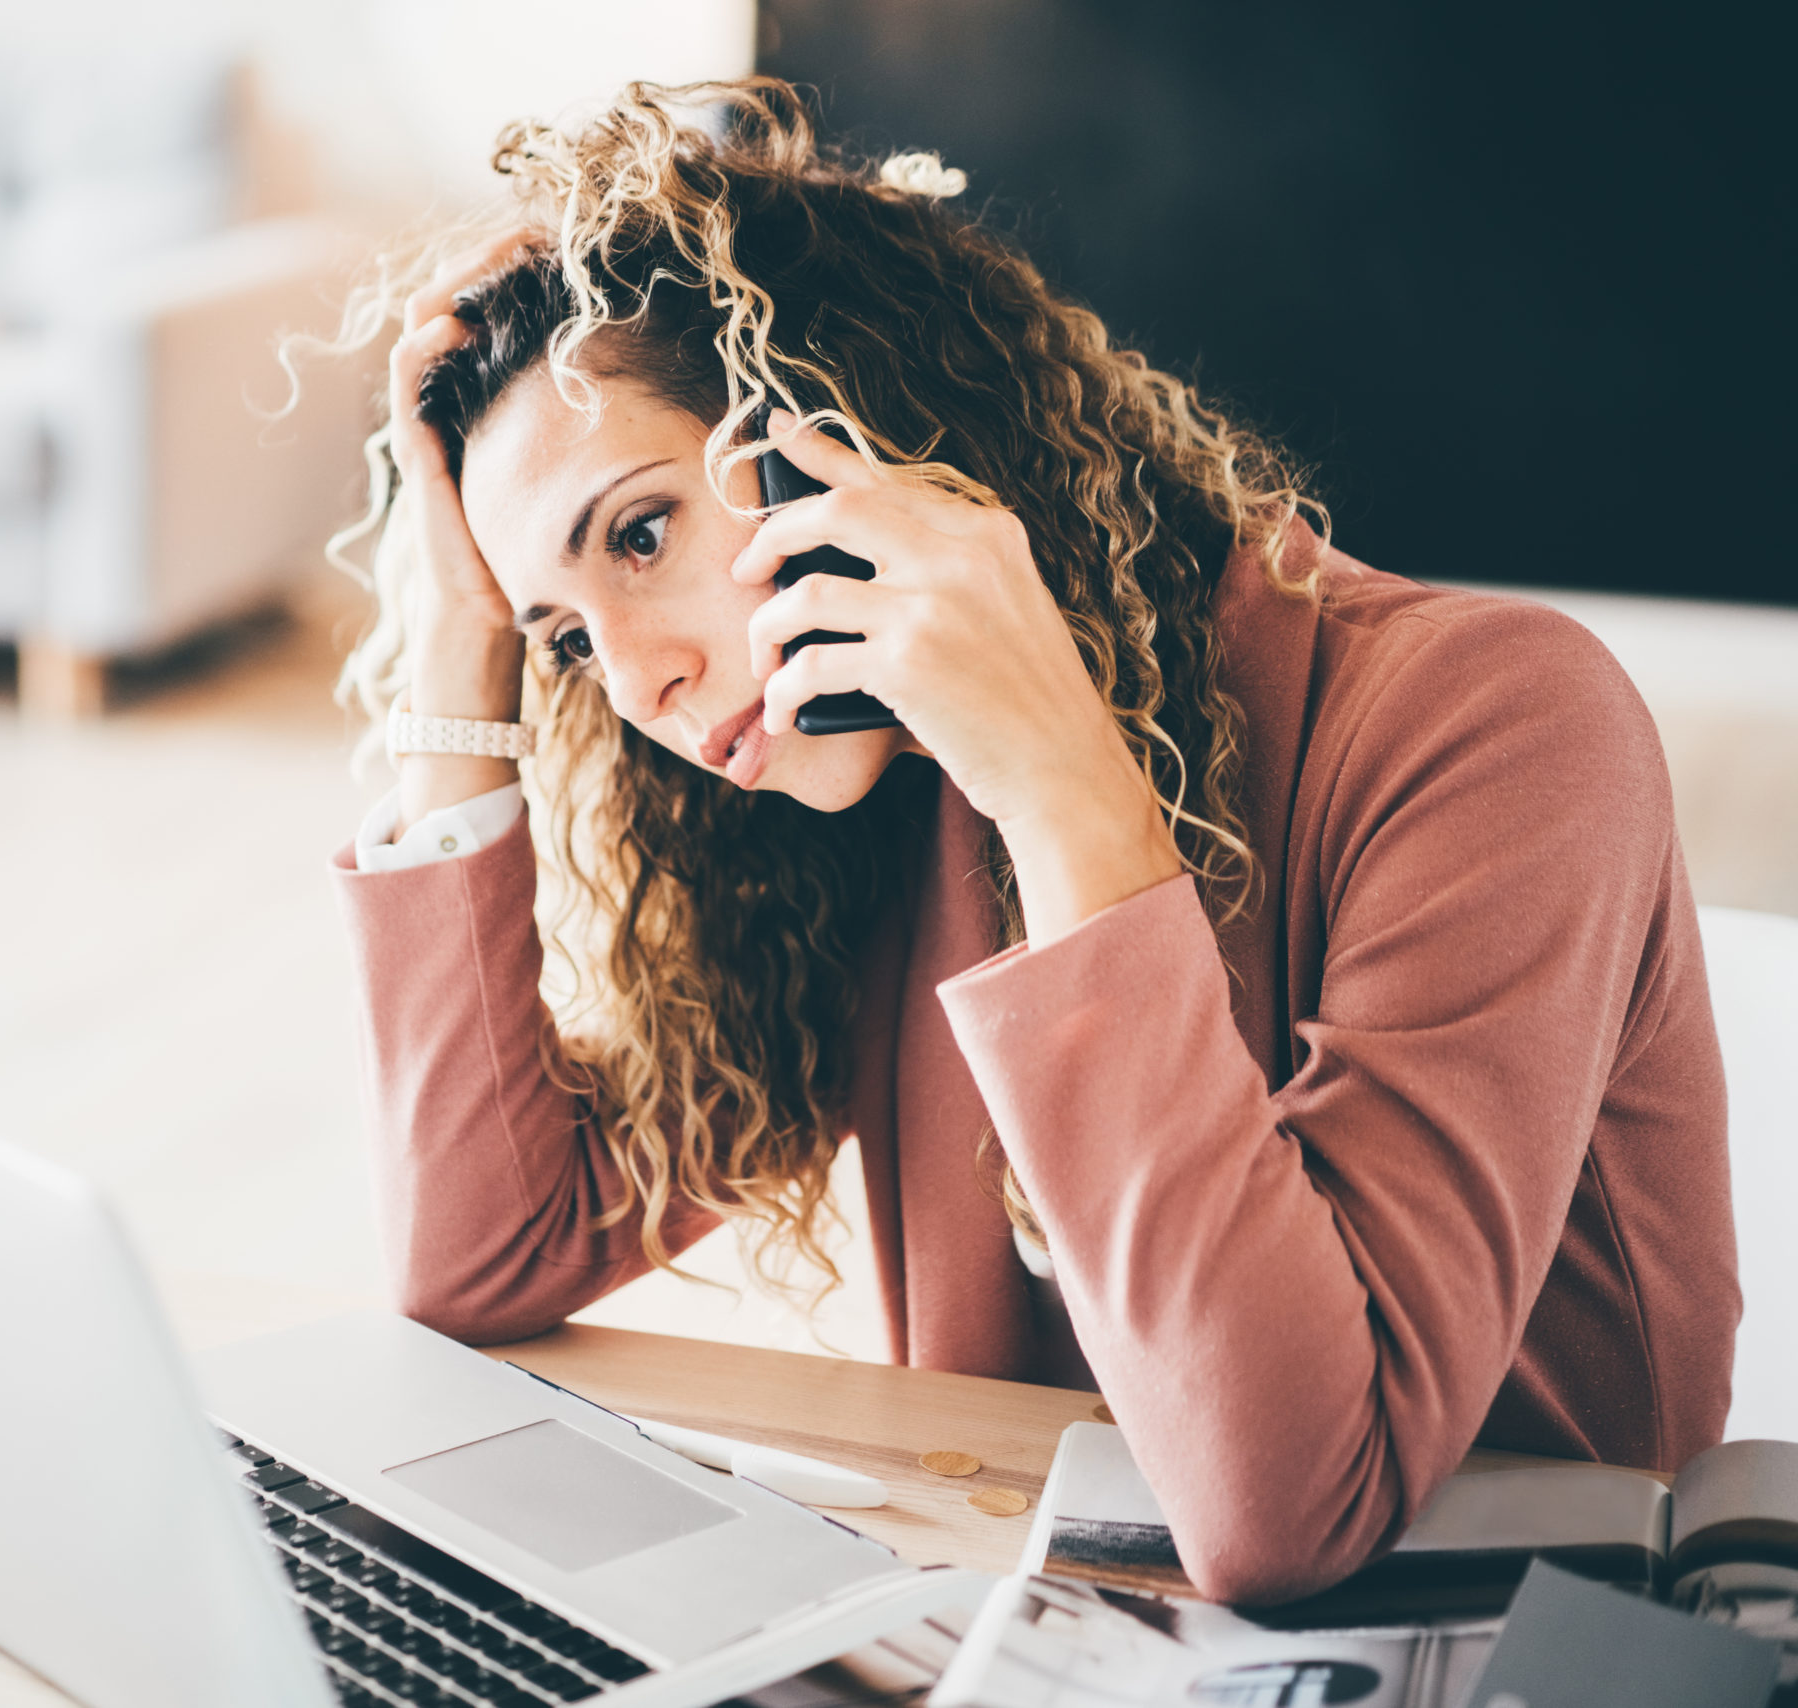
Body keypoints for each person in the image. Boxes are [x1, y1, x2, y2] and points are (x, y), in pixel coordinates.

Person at [314, 79, 1736, 1604]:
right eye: (569, 641)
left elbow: (1290, 1504)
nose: (641, 680)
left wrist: (1065, 790)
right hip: (1041, 1612)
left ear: (849, 428)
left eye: (644, 534)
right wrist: (453, 652)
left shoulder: (1498, 722)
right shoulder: (855, 814)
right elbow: (485, 1258)